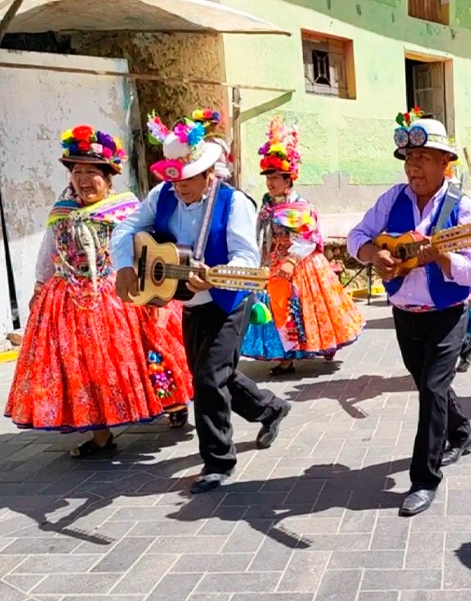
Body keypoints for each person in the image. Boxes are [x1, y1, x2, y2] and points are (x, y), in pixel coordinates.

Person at [113, 113, 292, 493]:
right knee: (213, 375)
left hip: (227, 300)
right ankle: (271, 408)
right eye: (174, 179)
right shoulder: (161, 195)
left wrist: (215, 273)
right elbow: (127, 227)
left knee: (208, 378)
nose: (179, 187)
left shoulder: (235, 203)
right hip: (188, 302)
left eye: (188, 178)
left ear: (209, 172)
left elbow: (246, 259)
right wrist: (125, 265)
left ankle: (218, 461)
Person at [5, 125, 193, 456]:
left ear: (109, 176)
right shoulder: (62, 211)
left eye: (92, 171)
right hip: (68, 302)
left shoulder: (126, 208)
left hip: (119, 295)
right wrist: (38, 286)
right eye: (77, 171)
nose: (83, 179)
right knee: (82, 369)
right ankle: (101, 433)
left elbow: (149, 246)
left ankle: (174, 401)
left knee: (150, 351)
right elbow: (48, 253)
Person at [347, 112, 471, 517]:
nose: (413, 166)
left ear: (445, 164)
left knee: (430, 389)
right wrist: (377, 255)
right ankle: (461, 431)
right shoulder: (392, 199)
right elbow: (358, 236)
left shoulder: (463, 210)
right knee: (430, 384)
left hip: (447, 314)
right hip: (404, 313)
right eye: (409, 158)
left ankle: (424, 480)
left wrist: (443, 257)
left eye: (423, 158)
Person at [241, 117, 365, 374]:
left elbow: (306, 238)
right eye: (268, 178)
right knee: (278, 308)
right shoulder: (266, 205)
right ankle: (285, 357)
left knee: (310, 307)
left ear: (289, 180)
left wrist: (291, 260)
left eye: (276, 178)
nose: (270, 183)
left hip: (301, 265)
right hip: (273, 265)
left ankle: (326, 343)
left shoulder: (301, 207)